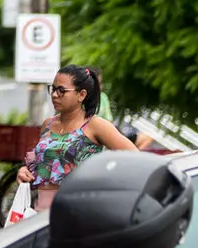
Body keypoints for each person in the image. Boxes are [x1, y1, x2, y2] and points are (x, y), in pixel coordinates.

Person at [17, 65, 137, 211]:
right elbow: (44, 164)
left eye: (62, 90)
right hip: (41, 213)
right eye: (53, 89)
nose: (55, 95)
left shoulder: (95, 125)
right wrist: (25, 171)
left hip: (80, 213)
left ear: (82, 95)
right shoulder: (48, 124)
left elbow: (135, 158)